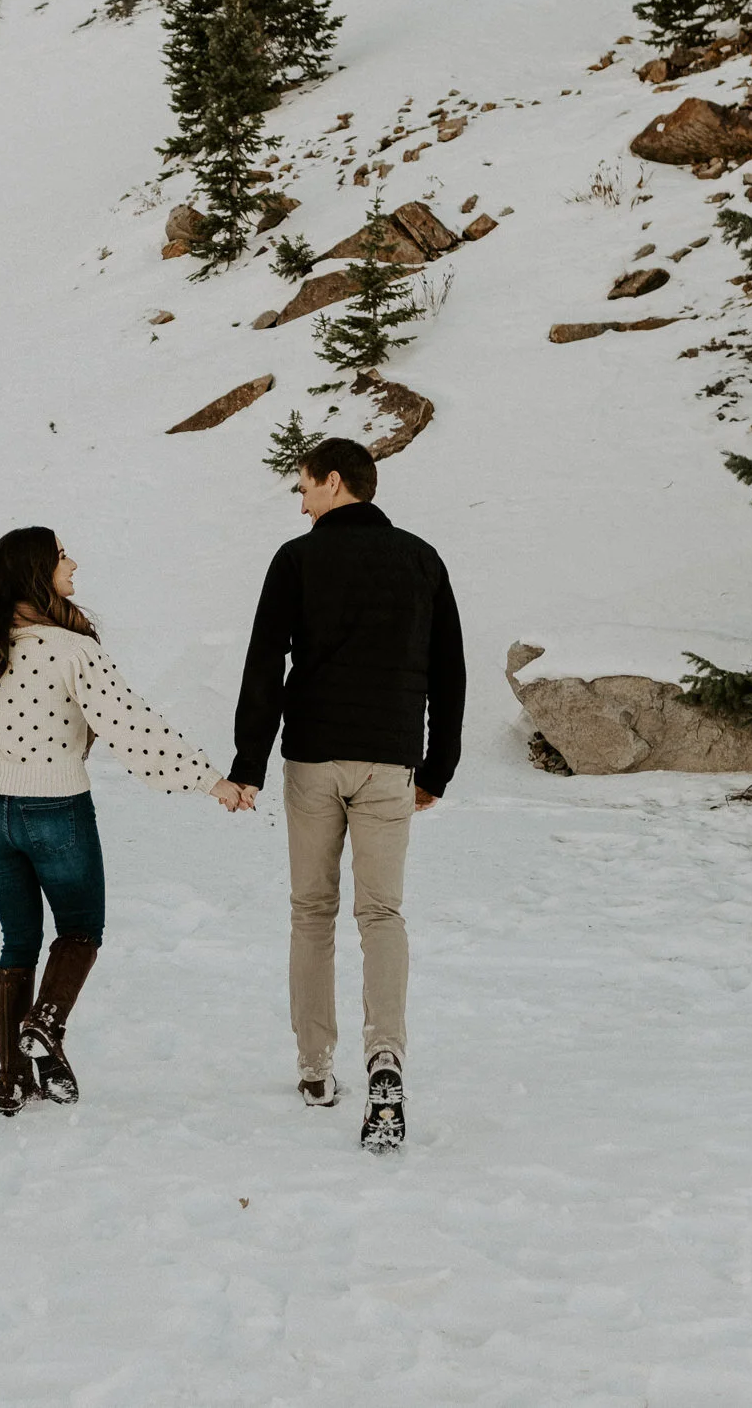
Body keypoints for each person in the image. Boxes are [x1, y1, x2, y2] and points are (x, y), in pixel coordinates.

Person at [0, 526, 248, 1116]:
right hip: (56, 809)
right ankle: (45, 1023)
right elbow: (131, 725)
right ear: (37, 570)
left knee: (17, 940)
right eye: (62, 556)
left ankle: (11, 1078)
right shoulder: (72, 649)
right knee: (81, 928)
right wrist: (208, 778)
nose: (73, 563)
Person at [229, 439, 465, 1153]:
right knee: (382, 911)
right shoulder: (421, 558)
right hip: (390, 760)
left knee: (312, 909)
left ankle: (314, 1065)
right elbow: (448, 671)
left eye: (303, 487)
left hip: (312, 760)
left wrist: (248, 763)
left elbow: (266, 663)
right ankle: (385, 1056)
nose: (299, 502)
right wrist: (436, 767)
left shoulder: (296, 560)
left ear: (335, 482)